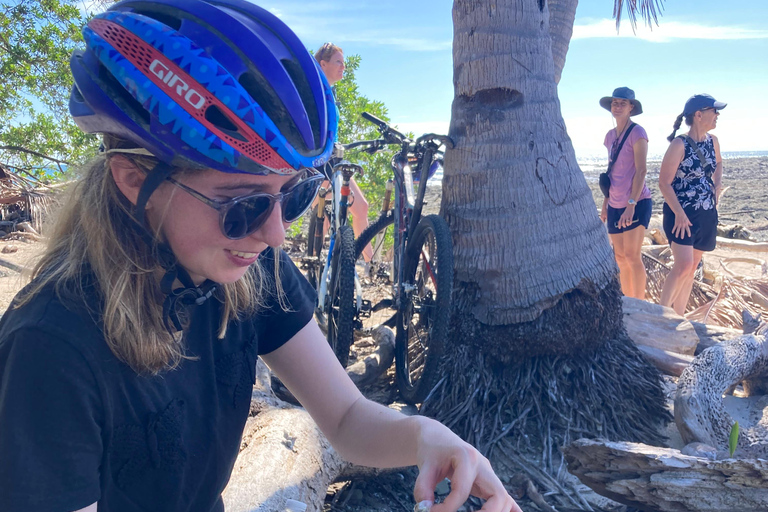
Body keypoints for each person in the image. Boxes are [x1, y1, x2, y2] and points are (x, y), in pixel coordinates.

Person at [0, 3, 522, 512]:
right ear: (135, 181)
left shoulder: (251, 272)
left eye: (293, 196)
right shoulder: (50, 347)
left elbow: (345, 417)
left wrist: (429, 437)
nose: (274, 235)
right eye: (242, 206)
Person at [659, 94, 726, 315]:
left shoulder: (713, 141)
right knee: (683, 266)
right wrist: (679, 213)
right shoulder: (679, 144)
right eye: (714, 111)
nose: (717, 115)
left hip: (706, 213)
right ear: (698, 115)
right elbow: (664, 183)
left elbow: (718, 163)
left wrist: (717, 184)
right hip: (681, 214)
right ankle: (660, 315)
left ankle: (678, 317)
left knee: (692, 268)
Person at [314, 42, 373, 262]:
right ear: (323, 64)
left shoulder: (329, 93)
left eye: (344, 63)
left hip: (334, 159)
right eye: (338, 62)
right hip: (321, 161)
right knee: (322, 216)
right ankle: (316, 268)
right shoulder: (316, 92)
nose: (343, 67)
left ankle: (370, 265)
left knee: (361, 208)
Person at [598, 87, 652, 299]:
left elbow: (641, 171)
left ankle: (639, 303)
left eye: (623, 103)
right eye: (615, 103)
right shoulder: (610, 136)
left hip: (636, 202)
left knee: (632, 256)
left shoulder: (638, 133)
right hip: (614, 203)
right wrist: (605, 203)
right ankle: (627, 302)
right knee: (620, 257)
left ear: (631, 107)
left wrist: (631, 204)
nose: (617, 107)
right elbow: (612, 171)